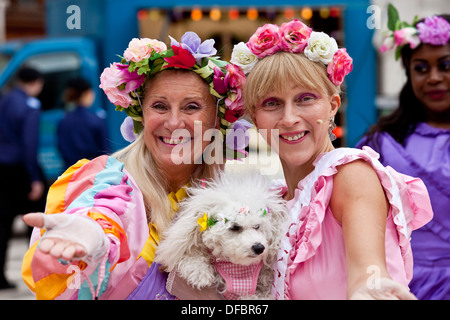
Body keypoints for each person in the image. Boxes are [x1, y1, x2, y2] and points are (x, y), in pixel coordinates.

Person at [21, 32, 248, 300]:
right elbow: (101, 213)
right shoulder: (108, 180)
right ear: (142, 114)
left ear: (216, 120)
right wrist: (93, 238)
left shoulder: (231, 196)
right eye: (160, 106)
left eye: (191, 107)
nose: (174, 122)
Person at [235, 19, 433, 299]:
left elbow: (369, 270)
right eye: (272, 103)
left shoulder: (350, 174)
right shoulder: (272, 199)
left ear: (332, 106)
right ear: (255, 117)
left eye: (305, 98)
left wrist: (369, 287)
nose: (289, 118)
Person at [356, 5, 450, 300]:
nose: (433, 77)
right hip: (406, 285)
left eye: (446, 65)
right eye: (421, 68)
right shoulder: (381, 143)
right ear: (409, 75)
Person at [0, 67, 45, 290]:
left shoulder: (5, 100)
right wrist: (35, 178)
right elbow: (29, 145)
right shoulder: (29, 106)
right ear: (35, 83)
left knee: (3, 224)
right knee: (37, 223)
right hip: (20, 171)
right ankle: (41, 276)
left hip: (2, 168)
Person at [57, 77, 110, 170]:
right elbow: (105, 152)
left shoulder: (63, 121)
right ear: (87, 93)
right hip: (93, 172)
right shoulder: (96, 120)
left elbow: (62, 149)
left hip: (70, 173)